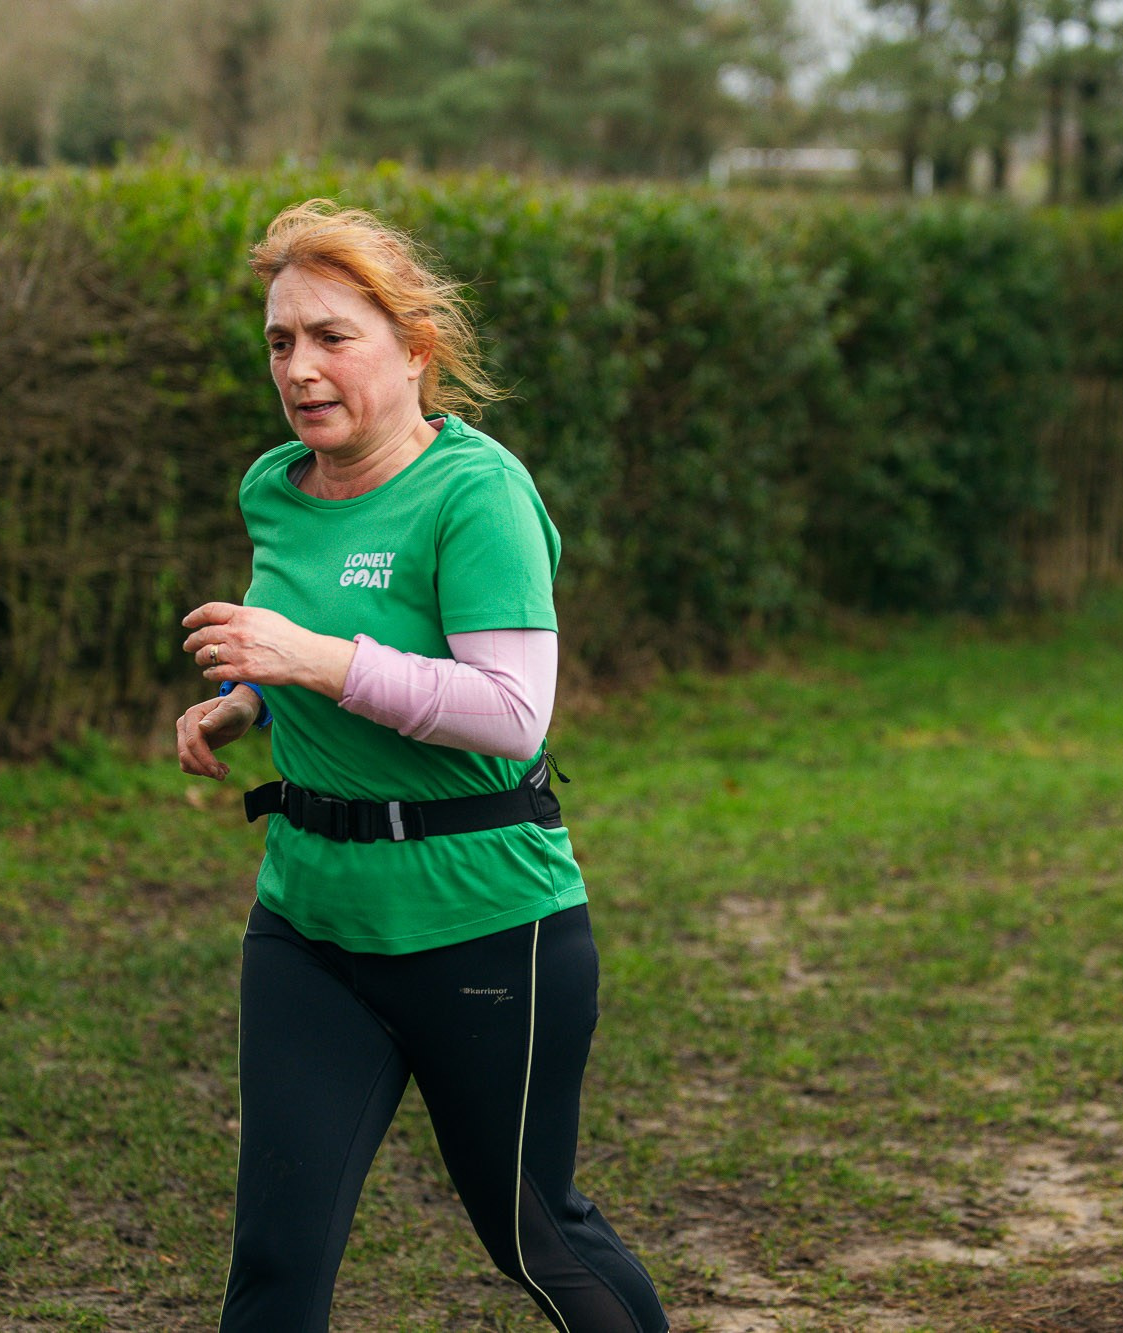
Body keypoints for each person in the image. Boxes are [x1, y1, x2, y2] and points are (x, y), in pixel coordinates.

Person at [173, 199, 670, 1333]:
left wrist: (312, 657)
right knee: (274, 1266)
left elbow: (509, 713)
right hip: (307, 923)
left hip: (486, 926)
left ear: (413, 349)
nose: (299, 368)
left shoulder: (474, 493)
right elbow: (305, 639)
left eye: (331, 337)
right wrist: (245, 700)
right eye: (279, 341)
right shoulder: (274, 487)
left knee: (536, 1237)